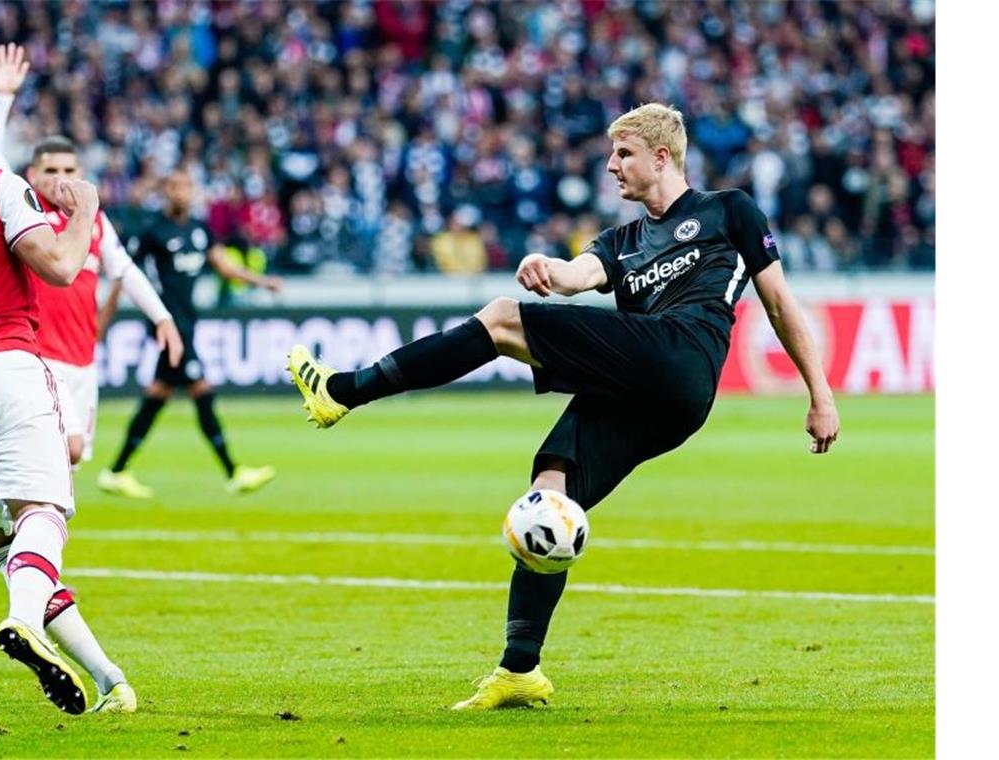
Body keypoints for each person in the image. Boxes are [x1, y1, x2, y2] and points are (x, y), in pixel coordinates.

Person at [287, 103, 840, 710]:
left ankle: (344, 391)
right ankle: (519, 669)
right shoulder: (622, 241)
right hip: (649, 395)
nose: (611, 166)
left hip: (683, 357)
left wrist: (820, 394)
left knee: (499, 319)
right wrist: (546, 268)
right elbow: (579, 274)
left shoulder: (728, 209)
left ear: (662, 157)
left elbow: (782, 304)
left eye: (623, 154)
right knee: (549, 495)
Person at [0, 88, 127, 715]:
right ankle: (24, 623)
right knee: (45, 513)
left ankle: (110, 679)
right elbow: (63, 267)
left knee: (10, 549)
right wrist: (86, 207)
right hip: (5, 364)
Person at [0, 43, 183, 467]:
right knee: (64, 449)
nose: (61, 179)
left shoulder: (92, 220)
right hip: (40, 357)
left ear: (82, 175)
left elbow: (125, 270)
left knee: (69, 467)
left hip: (83, 362)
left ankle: (25, 524)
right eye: (51, 171)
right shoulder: (23, 209)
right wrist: (2, 96)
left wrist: (162, 317)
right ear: (33, 175)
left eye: (69, 171)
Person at [99, 170, 284, 498]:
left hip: (187, 323)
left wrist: (262, 281)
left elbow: (224, 266)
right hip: (168, 326)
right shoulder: (152, 232)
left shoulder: (200, 230)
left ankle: (117, 471)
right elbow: (122, 276)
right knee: (202, 390)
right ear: (165, 191)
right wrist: (104, 319)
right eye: (174, 186)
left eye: (186, 186)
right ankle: (233, 471)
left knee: (158, 395)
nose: (181, 192)